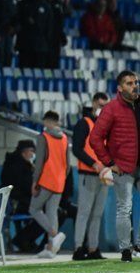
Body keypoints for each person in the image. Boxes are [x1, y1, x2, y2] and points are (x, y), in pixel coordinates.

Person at [90, 70, 139, 263]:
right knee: (124, 208)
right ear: (120, 88)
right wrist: (110, 163)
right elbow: (95, 138)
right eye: (129, 83)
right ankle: (126, 249)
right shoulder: (111, 108)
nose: (134, 85)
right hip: (124, 165)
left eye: (135, 82)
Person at [72, 93, 110, 261]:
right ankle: (78, 248)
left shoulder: (107, 126)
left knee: (97, 214)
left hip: (103, 175)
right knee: (84, 212)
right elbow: (77, 150)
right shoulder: (84, 123)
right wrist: (95, 164)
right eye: (100, 104)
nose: (102, 107)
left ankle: (93, 248)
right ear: (94, 103)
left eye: (105, 105)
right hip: (88, 173)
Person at [28, 111, 71, 259]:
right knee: (52, 213)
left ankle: (55, 234)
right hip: (59, 181)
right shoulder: (65, 138)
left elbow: (39, 162)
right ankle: (51, 248)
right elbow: (68, 165)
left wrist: (35, 181)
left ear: (47, 121)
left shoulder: (43, 137)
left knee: (33, 208)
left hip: (46, 180)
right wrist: (62, 178)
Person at [16, 0, 53, 69]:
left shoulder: (46, 6)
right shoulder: (22, 4)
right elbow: (17, 20)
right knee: (24, 71)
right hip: (25, 45)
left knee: (39, 72)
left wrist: (47, 43)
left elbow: (49, 26)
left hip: (41, 46)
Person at [42, 0, 69, 68]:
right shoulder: (41, 0)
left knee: (53, 65)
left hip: (55, 39)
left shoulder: (58, 2)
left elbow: (63, 17)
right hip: (44, 39)